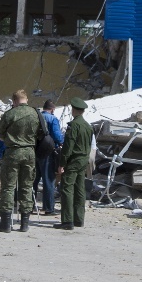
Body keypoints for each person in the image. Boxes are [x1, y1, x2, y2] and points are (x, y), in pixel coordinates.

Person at [0, 89, 45, 233]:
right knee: (27, 187)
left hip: (12, 152)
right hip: (29, 152)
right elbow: (42, 133)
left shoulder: (10, 114)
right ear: (26, 99)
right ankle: (24, 223)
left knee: (8, 187)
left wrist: (11, 139)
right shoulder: (36, 114)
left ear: (14, 100)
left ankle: (5, 223)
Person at [57, 97, 94, 229]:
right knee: (80, 189)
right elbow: (89, 145)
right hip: (83, 159)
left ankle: (67, 220)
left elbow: (68, 146)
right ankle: (79, 219)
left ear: (74, 110)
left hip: (73, 160)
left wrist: (62, 163)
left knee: (66, 188)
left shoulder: (74, 126)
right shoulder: (88, 127)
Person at [34, 99, 64, 216]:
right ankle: (48, 208)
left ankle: (30, 205)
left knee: (34, 180)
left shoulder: (37, 117)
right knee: (48, 180)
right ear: (52, 109)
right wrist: (62, 141)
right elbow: (57, 136)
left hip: (35, 151)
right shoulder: (53, 119)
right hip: (48, 152)